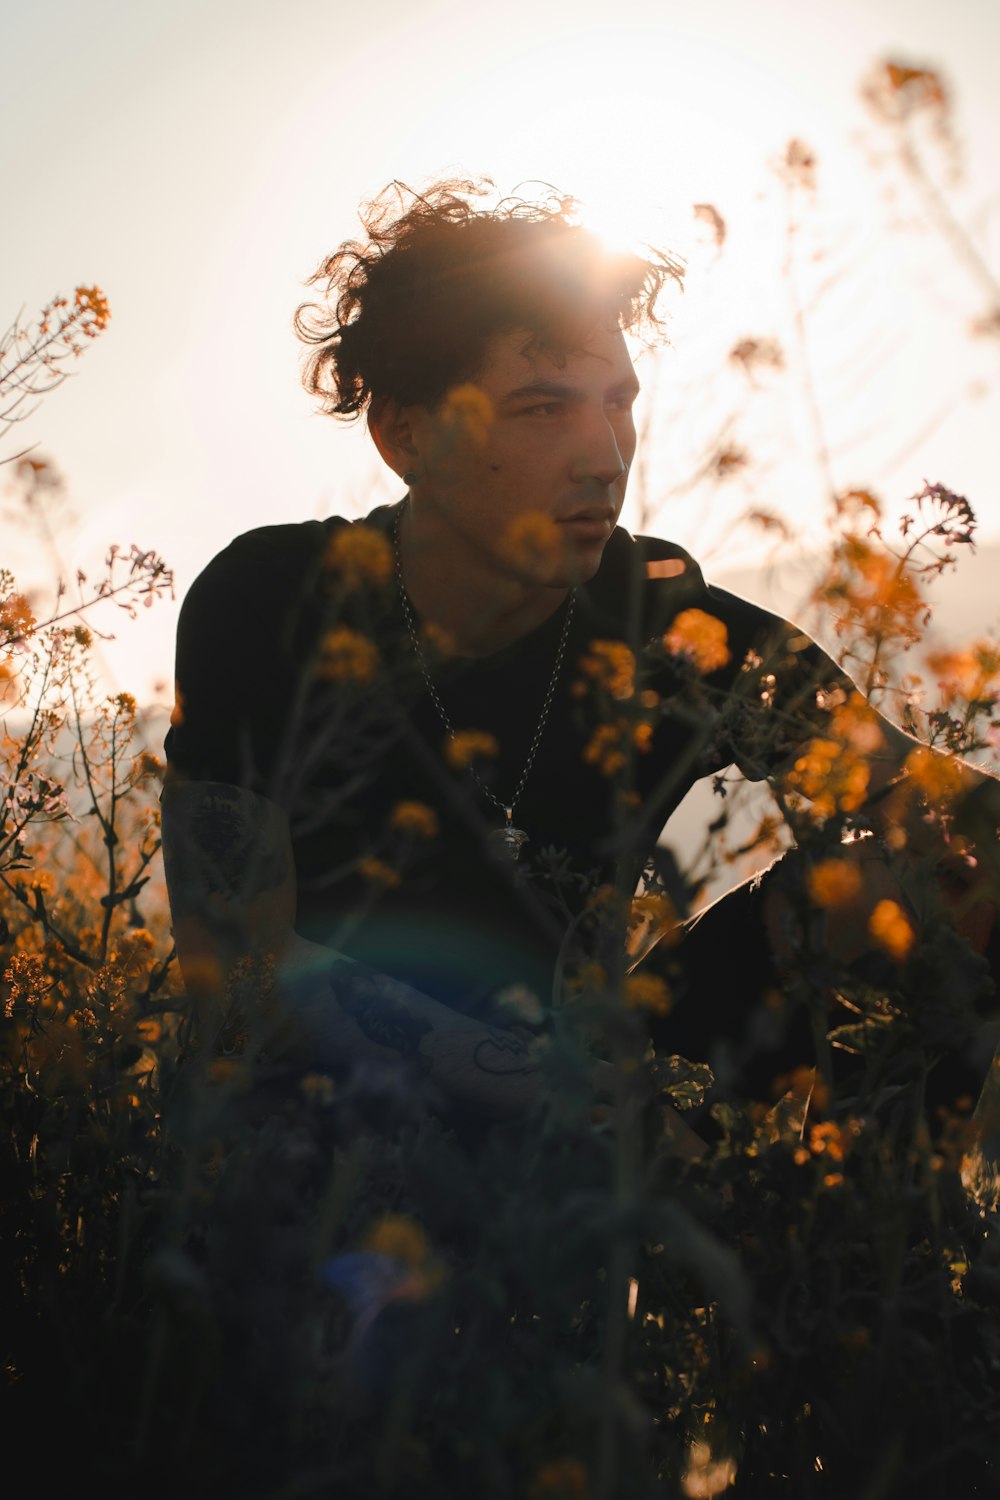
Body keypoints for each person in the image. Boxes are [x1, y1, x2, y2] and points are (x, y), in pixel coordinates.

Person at [161, 179, 999, 1140]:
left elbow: (921, 801)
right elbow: (242, 976)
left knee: (937, 860)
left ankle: (870, 1254)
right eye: (540, 409)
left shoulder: (669, 625)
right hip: (333, 1124)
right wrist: (556, 1093)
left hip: (594, 1086)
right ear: (406, 433)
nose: (604, 455)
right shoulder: (274, 599)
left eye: (618, 403)